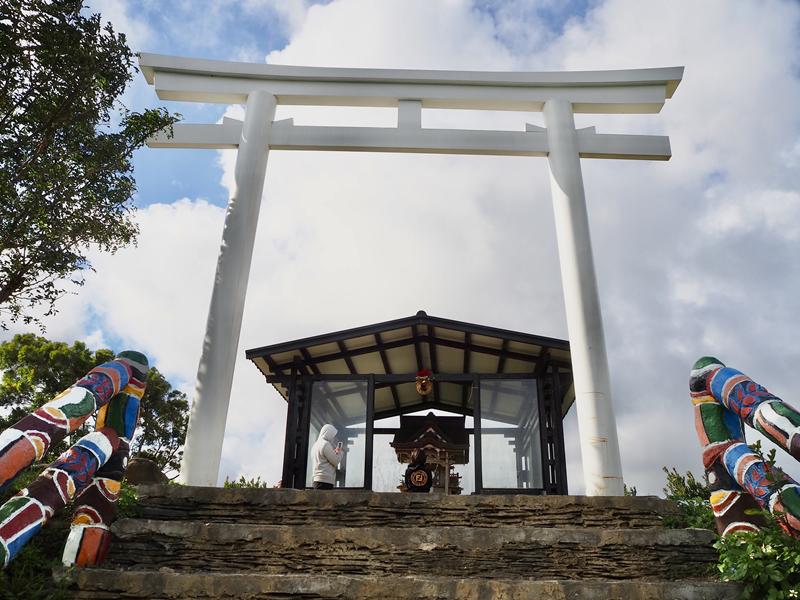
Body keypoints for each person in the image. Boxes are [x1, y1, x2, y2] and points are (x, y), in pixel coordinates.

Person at [311, 424, 343, 490]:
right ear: (328, 433)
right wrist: (340, 452)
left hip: (316, 480)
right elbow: (336, 461)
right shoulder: (325, 444)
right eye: (332, 435)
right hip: (326, 481)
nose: (333, 438)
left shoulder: (315, 445)